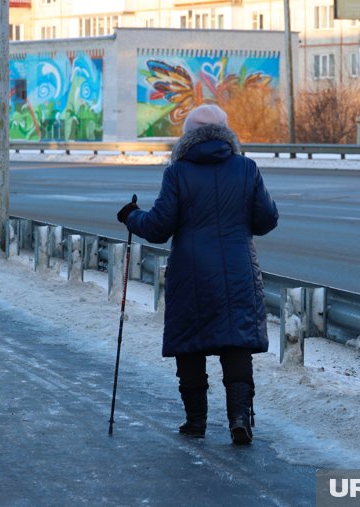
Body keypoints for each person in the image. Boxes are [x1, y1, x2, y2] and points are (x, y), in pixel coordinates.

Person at [116, 104, 278, 444]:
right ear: (226, 133)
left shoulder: (178, 172)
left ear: (188, 135)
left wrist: (131, 216)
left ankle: (195, 422)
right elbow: (266, 220)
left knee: (190, 343)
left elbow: (159, 228)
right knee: (236, 343)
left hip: (190, 270)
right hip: (236, 269)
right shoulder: (246, 168)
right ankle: (239, 418)